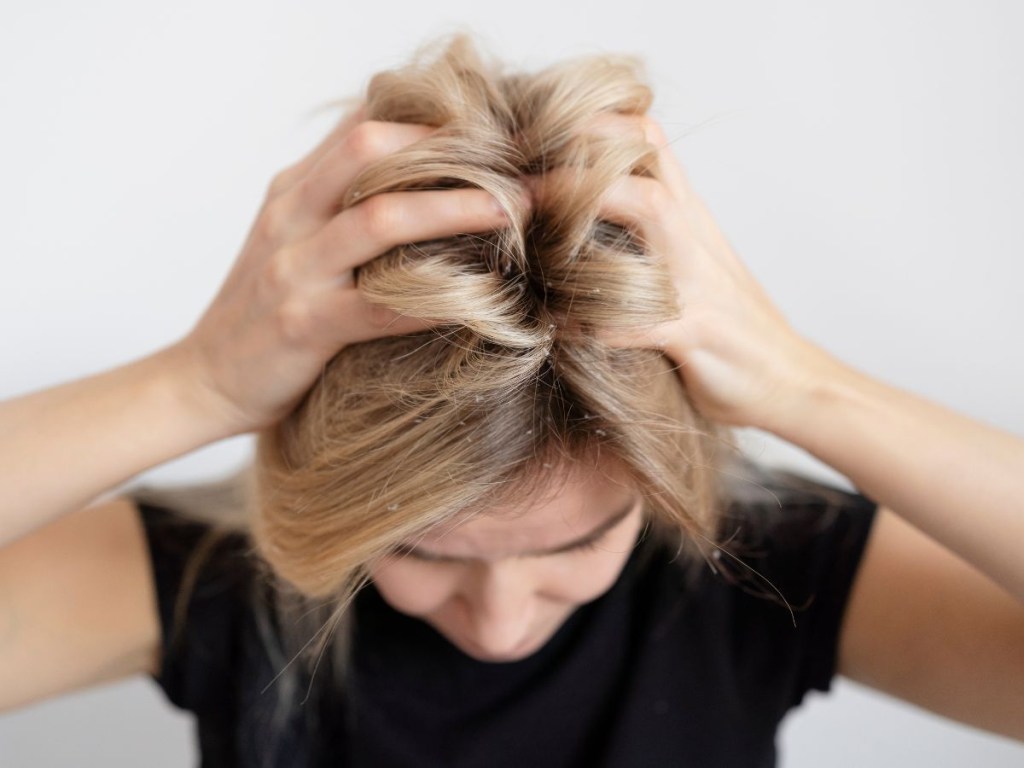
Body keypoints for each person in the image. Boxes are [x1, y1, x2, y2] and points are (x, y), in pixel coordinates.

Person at [1, 32, 1022, 768]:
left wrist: (804, 387)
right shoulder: (218, 578)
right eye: (420, 554)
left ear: (669, 481)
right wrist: (196, 384)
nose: (497, 624)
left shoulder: (767, 567)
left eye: (575, 546)